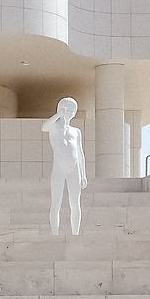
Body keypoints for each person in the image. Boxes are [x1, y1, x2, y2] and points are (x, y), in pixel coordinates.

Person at [41, 97, 87, 236]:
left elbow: (80, 153)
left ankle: (75, 234)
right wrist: (58, 115)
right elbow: (44, 127)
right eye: (67, 109)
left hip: (74, 169)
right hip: (59, 168)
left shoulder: (76, 131)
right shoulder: (54, 127)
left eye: (73, 110)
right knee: (56, 202)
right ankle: (55, 234)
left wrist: (83, 174)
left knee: (75, 202)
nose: (70, 112)